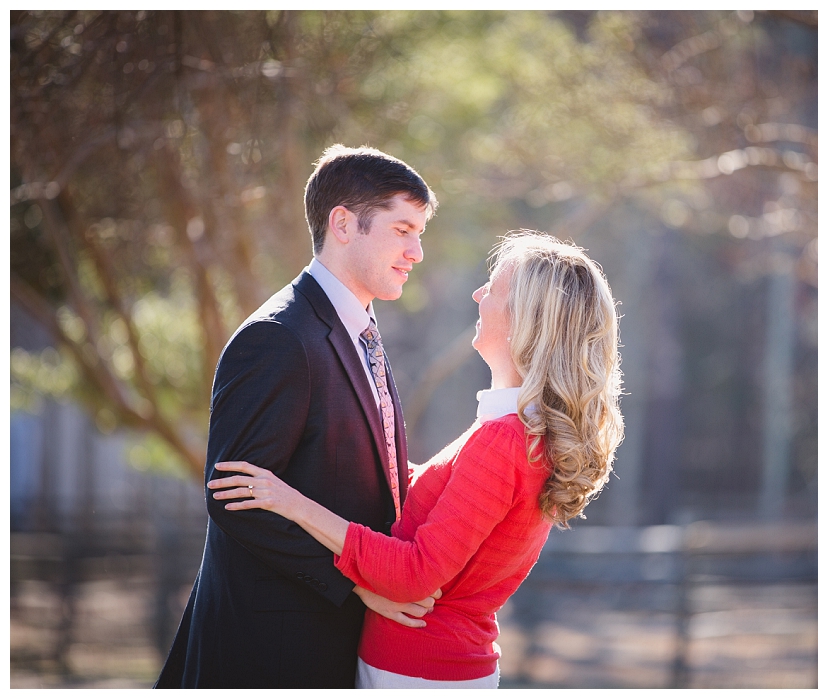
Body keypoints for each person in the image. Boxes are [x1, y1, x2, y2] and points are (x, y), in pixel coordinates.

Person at [207, 232, 625, 687]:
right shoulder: (515, 432)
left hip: (418, 671)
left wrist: (288, 501)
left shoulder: (506, 441)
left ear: (527, 319)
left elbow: (414, 576)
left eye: (494, 288)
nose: (478, 294)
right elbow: (428, 494)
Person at [156, 145, 438, 688]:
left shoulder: (361, 332)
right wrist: (358, 584)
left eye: (419, 232)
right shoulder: (278, 338)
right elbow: (234, 499)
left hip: (333, 644)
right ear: (343, 224)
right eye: (403, 230)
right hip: (271, 652)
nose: (417, 251)